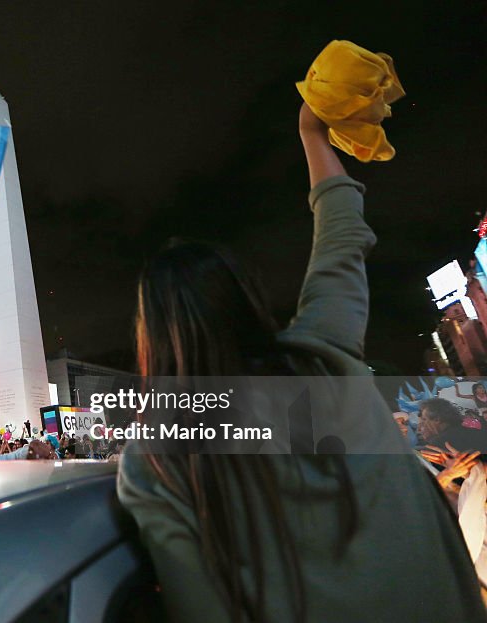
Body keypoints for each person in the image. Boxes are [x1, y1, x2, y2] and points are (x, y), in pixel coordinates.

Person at [116, 102, 486, 621]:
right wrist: (313, 133)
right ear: (246, 298)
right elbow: (342, 235)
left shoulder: (155, 460)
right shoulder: (322, 355)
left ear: (150, 338)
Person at [418, 397, 487, 453]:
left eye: (424, 419)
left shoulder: (437, 445)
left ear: (437, 419)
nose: (423, 424)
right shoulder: (480, 434)